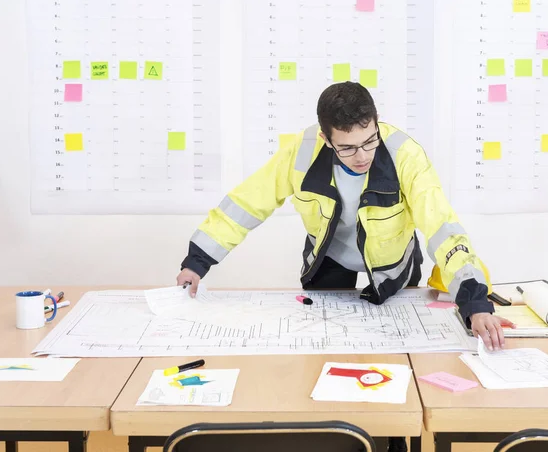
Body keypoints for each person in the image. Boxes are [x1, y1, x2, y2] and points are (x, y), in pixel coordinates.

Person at [177, 81, 513, 348]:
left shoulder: (405, 155)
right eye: (348, 147)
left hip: (392, 263)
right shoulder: (303, 151)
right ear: (326, 138)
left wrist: (475, 302)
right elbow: (248, 203)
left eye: (370, 141)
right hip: (329, 259)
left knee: (400, 348)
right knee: (326, 345)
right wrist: (196, 262)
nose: (362, 155)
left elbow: (442, 226)